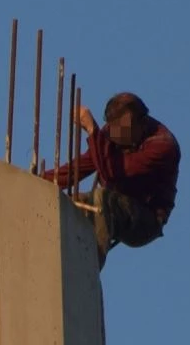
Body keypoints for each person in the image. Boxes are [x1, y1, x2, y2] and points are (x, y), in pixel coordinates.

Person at [43, 92, 181, 269]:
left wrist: (92, 131)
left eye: (125, 134)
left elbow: (113, 173)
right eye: (115, 134)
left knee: (102, 199)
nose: (119, 140)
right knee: (76, 203)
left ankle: (90, 266)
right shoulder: (115, 132)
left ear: (142, 123)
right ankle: (59, 257)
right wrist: (42, 180)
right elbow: (82, 166)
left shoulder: (162, 146)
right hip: (116, 203)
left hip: (146, 219)